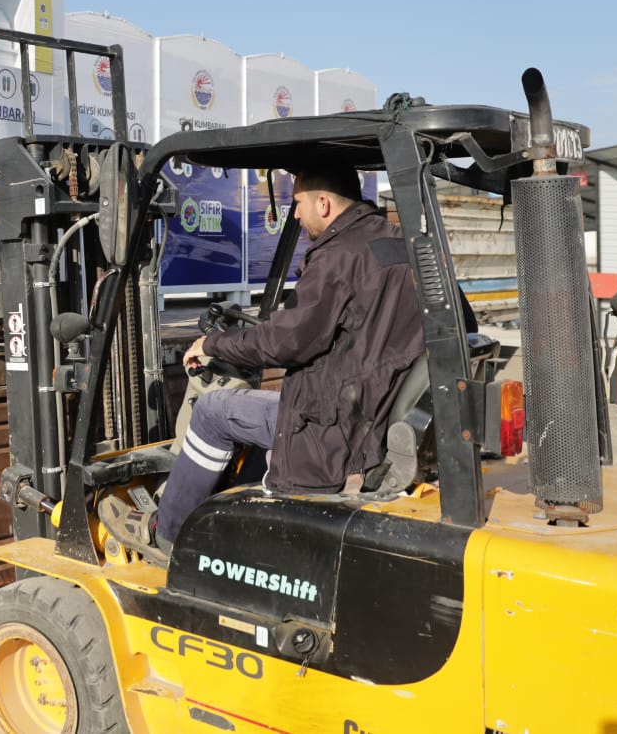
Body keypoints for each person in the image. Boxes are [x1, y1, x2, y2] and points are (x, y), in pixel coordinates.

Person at [101, 159, 426, 566]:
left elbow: (286, 341)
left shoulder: (338, 257)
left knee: (212, 411)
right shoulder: (404, 246)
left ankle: (166, 533)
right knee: (259, 415)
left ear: (323, 204)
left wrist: (213, 344)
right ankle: (232, 509)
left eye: (298, 203)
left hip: (329, 430)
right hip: (369, 413)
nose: (295, 213)